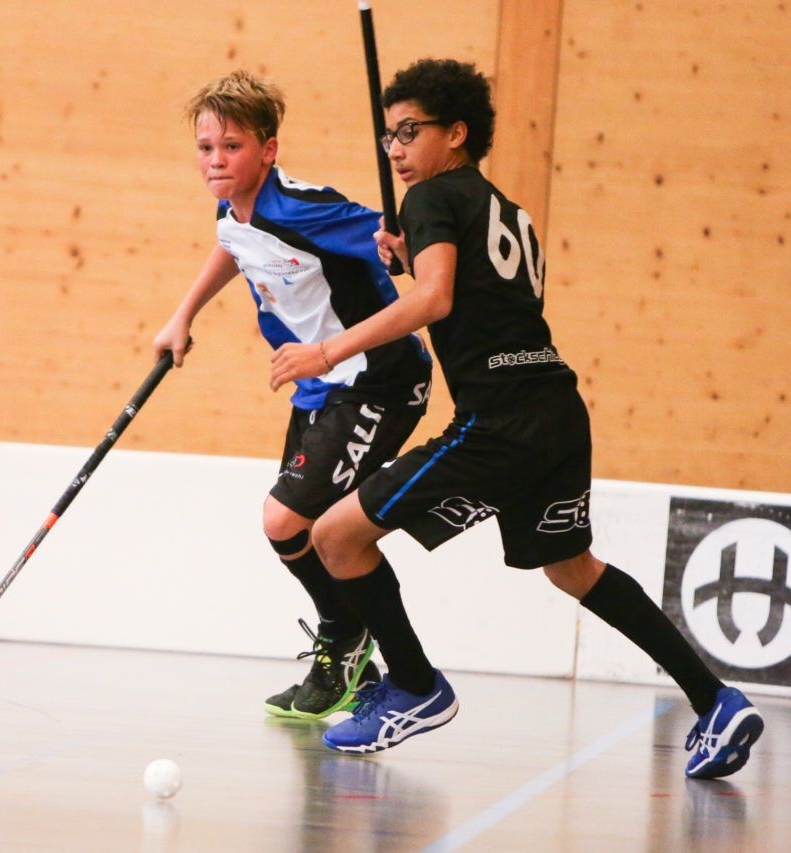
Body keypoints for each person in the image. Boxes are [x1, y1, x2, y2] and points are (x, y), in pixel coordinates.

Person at [269, 58, 764, 777]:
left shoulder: (432, 198)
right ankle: (715, 698)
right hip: (557, 410)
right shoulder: (504, 208)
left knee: (336, 534)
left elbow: (436, 301)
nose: (397, 149)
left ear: (457, 132)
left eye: (410, 132)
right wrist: (414, 258)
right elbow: (474, 294)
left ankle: (412, 686)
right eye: (388, 137)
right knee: (574, 567)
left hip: (498, 419)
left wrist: (328, 348)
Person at [153, 69, 433, 720]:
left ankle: (349, 637)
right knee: (299, 527)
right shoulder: (236, 208)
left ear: (268, 150)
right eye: (206, 149)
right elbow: (234, 243)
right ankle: (345, 646)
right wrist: (183, 314)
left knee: (284, 519)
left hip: (379, 380)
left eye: (232, 147)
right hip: (320, 388)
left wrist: (398, 245)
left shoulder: (302, 208)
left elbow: (387, 239)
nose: (217, 162)